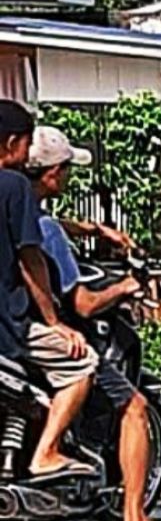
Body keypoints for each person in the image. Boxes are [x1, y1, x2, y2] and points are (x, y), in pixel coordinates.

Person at [26, 125, 161, 521]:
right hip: (49, 331)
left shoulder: (19, 209)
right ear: (50, 174)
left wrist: (91, 230)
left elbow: (46, 223)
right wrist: (123, 288)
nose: (67, 178)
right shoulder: (46, 233)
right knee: (135, 407)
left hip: (12, 325)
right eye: (64, 170)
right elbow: (82, 305)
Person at [0, 100, 98, 480]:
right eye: (26, 144)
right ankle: (47, 451)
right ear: (11, 143)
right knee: (81, 362)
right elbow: (30, 260)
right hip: (9, 327)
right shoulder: (13, 185)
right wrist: (54, 321)